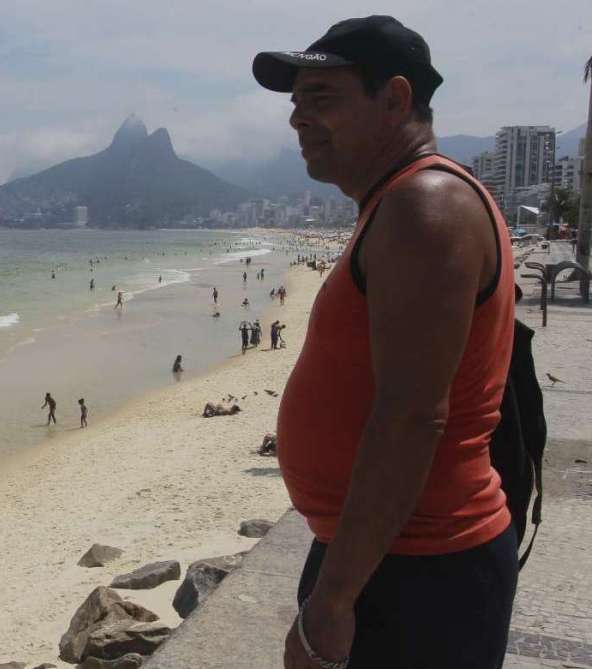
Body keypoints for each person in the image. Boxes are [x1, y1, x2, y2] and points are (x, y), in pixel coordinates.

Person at [253, 16, 517, 668]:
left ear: (395, 99)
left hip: (417, 571)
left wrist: (333, 599)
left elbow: (410, 415)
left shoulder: (423, 205)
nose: (297, 120)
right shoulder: (396, 202)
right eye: (295, 103)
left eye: (321, 99)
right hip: (388, 553)